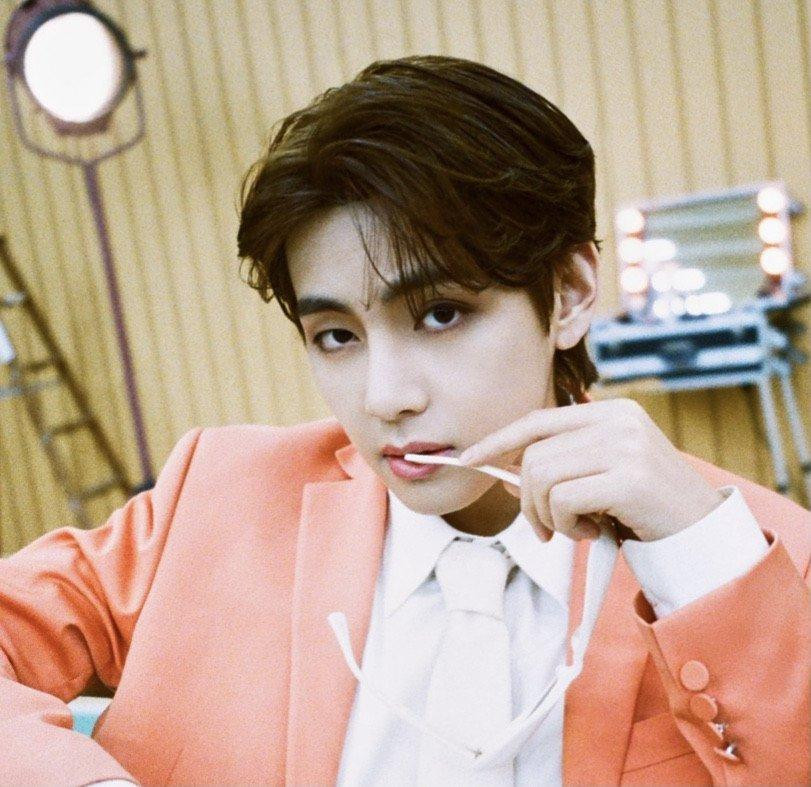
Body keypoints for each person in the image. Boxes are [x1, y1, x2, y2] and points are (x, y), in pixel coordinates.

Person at [1, 55, 808, 786]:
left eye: (440, 313)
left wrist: (700, 559)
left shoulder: (756, 556)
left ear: (567, 293)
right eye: (336, 335)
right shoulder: (216, 497)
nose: (384, 396)